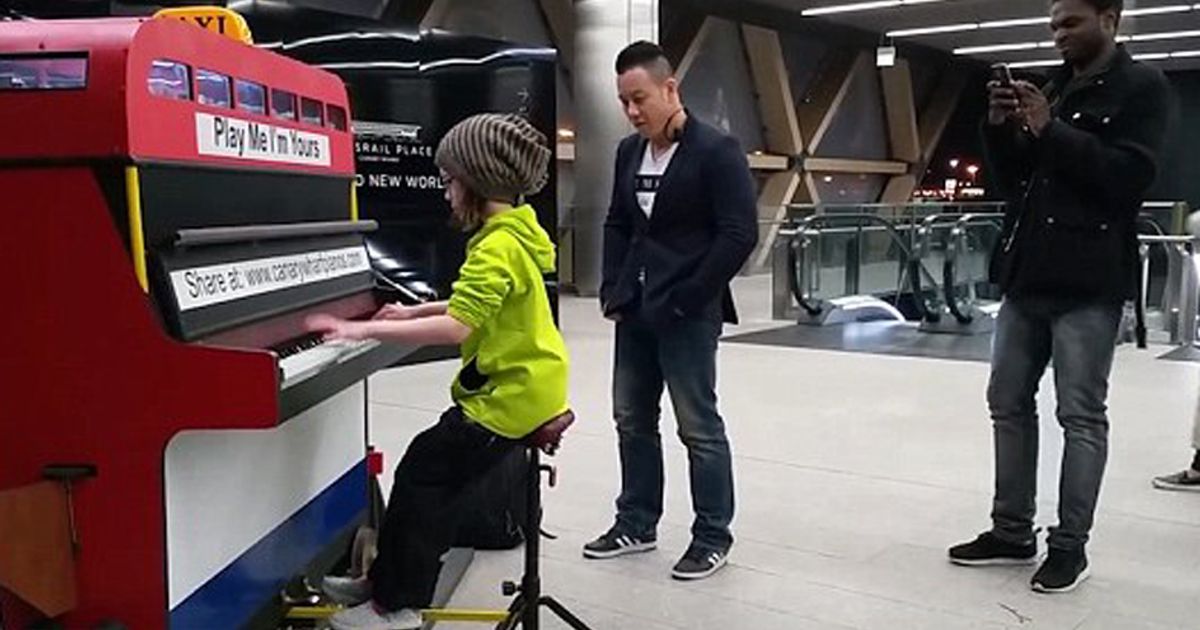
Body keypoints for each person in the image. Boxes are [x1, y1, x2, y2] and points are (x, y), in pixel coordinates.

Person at [306, 113, 569, 630]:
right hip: (525, 387)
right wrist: (408, 313)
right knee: (421, 472)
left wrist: (363, 331)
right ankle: (383, 581)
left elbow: (456, 328)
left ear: (477, 181)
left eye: (450, 180)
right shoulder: (513, 234)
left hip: (510, 399)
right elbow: (473, 306)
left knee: (427, 485)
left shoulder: (495, 245)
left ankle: (396, 607)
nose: (446, 192)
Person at [948, 0, 1170, 594]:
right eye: (1052, 26)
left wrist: (1052, 128)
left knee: (1080, 414)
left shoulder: (1142, 88)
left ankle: (1069, 545)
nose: (1058, 35)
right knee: (1007, 401)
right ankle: (1011, 530)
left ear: (1110, 19)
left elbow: (1129, 178)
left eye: (1071, 23)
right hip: (1027, 274)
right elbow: (1016, 179)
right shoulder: (1054, 87)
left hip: (1089, 280)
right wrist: (999, 129)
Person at [581, 40, 757, 581]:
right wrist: (611, 288)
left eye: (640, 99)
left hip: (688, 312)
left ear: (669, 88)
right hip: (634, 308)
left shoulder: (717, 150)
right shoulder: (628, 153)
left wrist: (689, 295)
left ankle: (711, 535)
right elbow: (617, 222)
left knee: (698, 427)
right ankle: (636, 521)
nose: (633, 112)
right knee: (631, 419)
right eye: (624, 102)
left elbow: (738, 234)